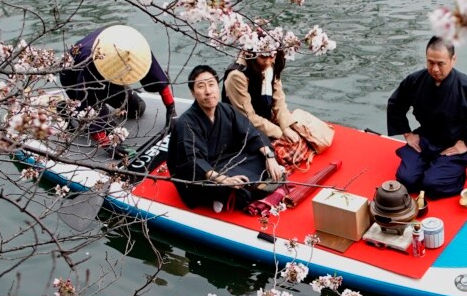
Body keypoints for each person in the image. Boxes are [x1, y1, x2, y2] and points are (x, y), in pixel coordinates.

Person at [386, 36, 467, 198]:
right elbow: (395, 104)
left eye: (441, 63)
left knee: (431, 185)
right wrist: (407, 133)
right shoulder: (415, 80)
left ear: (453, 60)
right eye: (430, 62)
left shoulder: (466, 88)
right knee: (406, 180)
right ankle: (430, 166)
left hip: (453, 144)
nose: (435, 69)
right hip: (424, 139)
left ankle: (456, 172)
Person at [169, 65, 286, 211]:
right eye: (201, 86)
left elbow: (251, 133)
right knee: (237, 192)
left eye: (211, 85)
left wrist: (270, 158)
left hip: (226, 160)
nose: (208, 91)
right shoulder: (186, 123)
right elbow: (193, 161)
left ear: (217, 87)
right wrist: (224, 179)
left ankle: (247, 185)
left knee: (262, 156)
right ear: (193, 92)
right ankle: (222, 195)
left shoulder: (226, 110)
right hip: (201, 173)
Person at [59, 25, 175, 154]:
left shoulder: (135, 47)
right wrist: (106, 144)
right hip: (73, 74)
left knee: (137, 109)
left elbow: (157, 76)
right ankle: (66, 108)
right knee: (106, 128)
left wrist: (171, 110)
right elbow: (87, 103)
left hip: (111, 72)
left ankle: (107, 102)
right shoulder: (91, 62)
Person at [222, 46, 300, 143]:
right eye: (263, 57)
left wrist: (286, 126)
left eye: (272, 56)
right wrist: (279, 133)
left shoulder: (271, 66)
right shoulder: (237, 76)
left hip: (265, 120)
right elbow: (248, 117)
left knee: (303, 133)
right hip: (242, 128)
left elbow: (279, 100)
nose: (267, 62)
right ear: (252, 54)